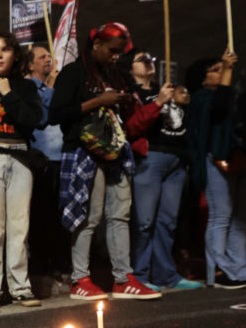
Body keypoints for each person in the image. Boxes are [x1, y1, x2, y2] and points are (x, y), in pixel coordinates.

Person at [49, 22, 162, 301]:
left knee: (120, 215)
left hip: (115, 151)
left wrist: (121, 100)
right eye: (112, 50)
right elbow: (55, 114)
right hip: (83, 151)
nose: (116, 56)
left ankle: (124, 279)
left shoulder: (115, 73)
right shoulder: (73, 73)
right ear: (96, 45)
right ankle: (80, 279)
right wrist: (100, 100)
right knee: (89, 217)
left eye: (120, 52)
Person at [0, 33, 45, 309]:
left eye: (4, 50)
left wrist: (7, 93)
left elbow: (33, 120)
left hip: (20, 160)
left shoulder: (25, 88)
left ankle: (20, 288)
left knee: (19, 227)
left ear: (15, 54)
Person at [124, 50, 203, 290]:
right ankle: (140, 275)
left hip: (176, 161)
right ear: (130, 68)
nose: (148, 61)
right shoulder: (132, 95)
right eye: (141, 59)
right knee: (145, 221)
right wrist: (158, 102)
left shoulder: (167, 91)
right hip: (151, 158)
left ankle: (166, 274)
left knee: (167, 221)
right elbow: (133, 126)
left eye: (150, 58)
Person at [187, 50, 246, 289]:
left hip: (236, 160)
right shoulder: (201, 99)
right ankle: (218, 269)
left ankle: (239, 268)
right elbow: (218, 107)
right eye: (215, 71)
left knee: (238, 218)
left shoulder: (230, 96)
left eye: (220, 69)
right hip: (214, 160)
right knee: (221, 216)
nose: (221, 74)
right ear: (201, 78)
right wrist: (227, 69)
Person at [27, 44, 71, 280]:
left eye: (49, 56)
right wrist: (53, 88)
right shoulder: (30, 89)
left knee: (59, 215)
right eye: (41, 57)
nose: (48, 60)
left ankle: (58, 262)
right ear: (31, 64)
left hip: (59, 159)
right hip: (41, 159)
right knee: (41, 215)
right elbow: (44, 113)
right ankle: (41, 264)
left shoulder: (51, 88)